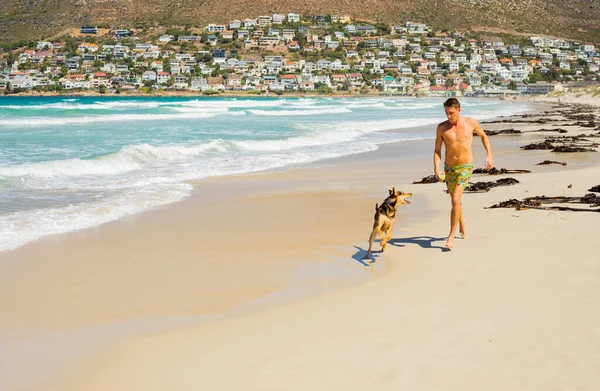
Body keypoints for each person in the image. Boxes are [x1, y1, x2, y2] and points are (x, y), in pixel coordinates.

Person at [433, 98, 493, 249]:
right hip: (449, 168)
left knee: (454, 200)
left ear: (459, 110)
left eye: (451, 113)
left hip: (465, 167)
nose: (448, 116)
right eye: (446, 113)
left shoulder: (471, 123)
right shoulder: (442, 128)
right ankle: (461, 220)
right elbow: (437, 150)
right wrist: (436, 168)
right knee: (456, 201)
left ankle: (450, 236)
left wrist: (489, 155)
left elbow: (484, 136)